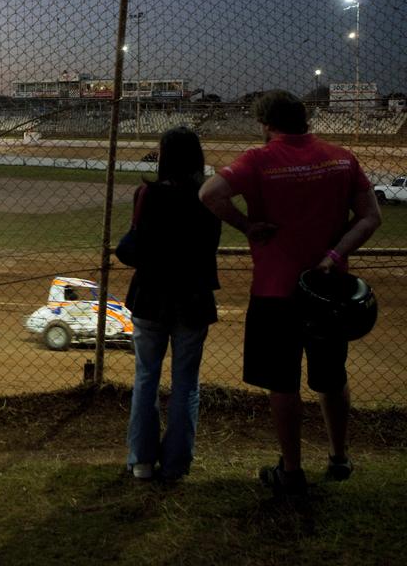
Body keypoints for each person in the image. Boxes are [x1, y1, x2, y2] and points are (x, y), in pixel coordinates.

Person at [199, 90, 381, 497]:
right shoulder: (342, 157)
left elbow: (209, 194)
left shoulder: (259, 159)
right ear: (305, 119)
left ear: (267, 124)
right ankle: (338, 456)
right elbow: (371, 217)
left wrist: (247, 227)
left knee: (283, 384)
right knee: (332, 379)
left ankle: (292, 471)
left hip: (275, 291)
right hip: (329, 293)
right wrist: (335, 255)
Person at [118, 127, 221, 481]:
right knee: (186, 384)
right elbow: (210, 247)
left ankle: (142, 461)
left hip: (150, 296)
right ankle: (176, 464)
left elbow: (134, 246)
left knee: (146, 377)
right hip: (192, 298)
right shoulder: (209, 197)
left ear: (164, 157)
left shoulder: (146, 194)